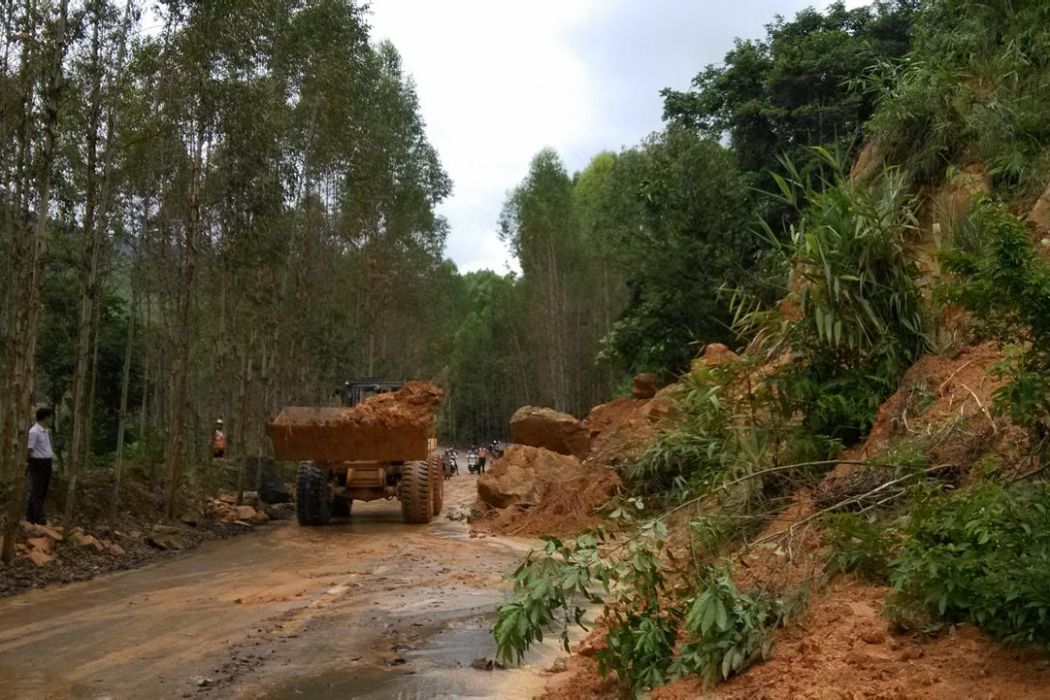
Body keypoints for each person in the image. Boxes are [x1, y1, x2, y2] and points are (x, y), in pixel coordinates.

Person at [26, 407, 54, 525]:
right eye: (50, 417)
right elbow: (29, 449)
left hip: (46, 462)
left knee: (42, 490)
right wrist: (28, 464)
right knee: (37, 490)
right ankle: (38, 517)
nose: (51, 420)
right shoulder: (34, 431)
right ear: (46, 417)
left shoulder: (45, 430)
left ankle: (32, 516)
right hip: (37, 463)